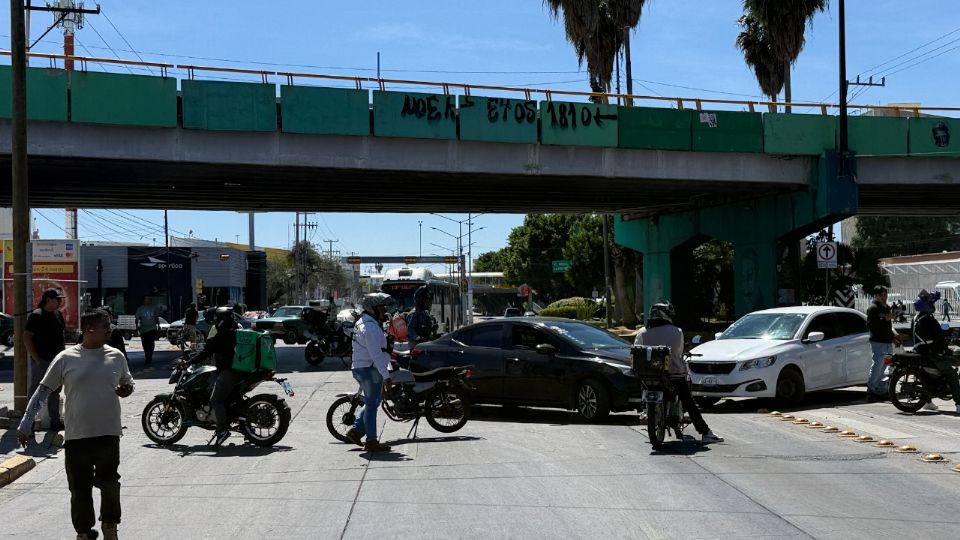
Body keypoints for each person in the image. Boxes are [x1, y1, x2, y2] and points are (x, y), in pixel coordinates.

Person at [17, 309, 134, 540]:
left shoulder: (117, 356)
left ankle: (110, 527)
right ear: (89, 330)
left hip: (108, 434)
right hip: (76, 436)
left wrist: (127, 390)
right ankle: (84, 532)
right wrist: (25, 423)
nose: (110, 329)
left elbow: (128, 383)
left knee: (110, 484)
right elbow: (43, 390)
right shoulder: (66, 358)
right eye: (105, 326)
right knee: (79, 490)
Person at [634, 302, 723, 444]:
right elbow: (678, 353)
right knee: (689, 401)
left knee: (644, 387)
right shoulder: (677, 332)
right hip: (674, 375)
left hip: (648, 374)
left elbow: (638, 351)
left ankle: (645, 411)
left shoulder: (642, 333)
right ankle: (705, 432)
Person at [345, 292, 396, 452]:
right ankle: (371, 441)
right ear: (372, 308)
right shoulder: (370, 328)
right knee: (372, 405)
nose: (384, 311)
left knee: (372, 402)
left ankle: (356, 431)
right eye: (381, 308)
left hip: (364, 368)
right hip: (369, 369)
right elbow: (376, 355)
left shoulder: (366, 323)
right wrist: (387, 377)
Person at [184, 306, 239, 446]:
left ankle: (222, 431)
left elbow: (206, 352)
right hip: (236, 370)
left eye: (214, 321)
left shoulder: (223, 335)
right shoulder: (234, 330)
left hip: (229, 371)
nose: (213, 324)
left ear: (220, 320)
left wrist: (188, 362)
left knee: (216, 400)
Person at [23, 288, 67, 431]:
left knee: (55, 391)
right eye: (57, 299)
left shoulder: (58, 315)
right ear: (48, 299)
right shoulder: (36, 316)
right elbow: (26, 337)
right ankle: (29, 423)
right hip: (42, 360)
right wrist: (36, 359)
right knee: (37, 392)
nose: (60, 301)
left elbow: (61, 336)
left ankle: (55, 421)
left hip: (58, 360)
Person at [913, 290, 960, 413]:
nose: (933, 305)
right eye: (931, 303)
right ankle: (959, 404)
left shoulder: (916, 318)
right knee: (953, 375)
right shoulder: (929, 320)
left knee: (932, 375)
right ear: (926, 306)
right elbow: (939, 339)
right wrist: (946, 349)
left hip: (921, 351)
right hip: (931, 353)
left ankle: (928, 401)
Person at [865, 287, 901, 402]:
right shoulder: (873, 308)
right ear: (876, 296)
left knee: (887, 367)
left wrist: (893, 338)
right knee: (878, 366)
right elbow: (871, 325)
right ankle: (871, 390)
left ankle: (882, 390)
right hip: (878, 342)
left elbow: (888, 327)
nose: (884, 297)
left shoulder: (886, 308)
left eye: (885, 295)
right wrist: (883, 318)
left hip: (887, 342)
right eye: (881, 295)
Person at [135, 295, 160, 365]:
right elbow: (137, 319)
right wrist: (137, 328)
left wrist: (159, 326)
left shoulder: (154, 308)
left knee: (151, 343)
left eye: (149, 299)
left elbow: (156, 318)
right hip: (143, 329)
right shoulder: (140, 309)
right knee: (145, 344)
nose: (148, 300)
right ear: (144, 300)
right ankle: (147, 356)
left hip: (152, 328)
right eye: (147, 299)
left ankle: (150, 356)